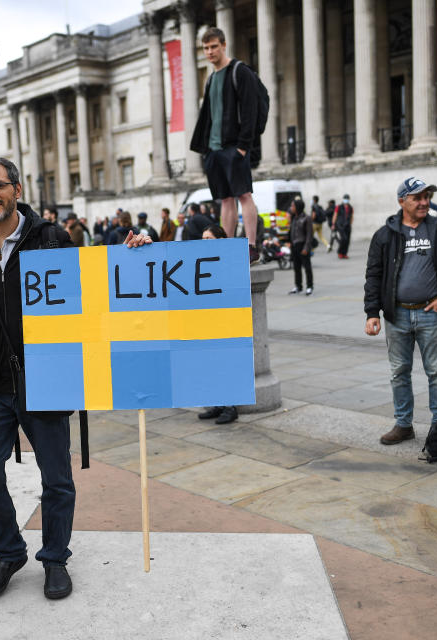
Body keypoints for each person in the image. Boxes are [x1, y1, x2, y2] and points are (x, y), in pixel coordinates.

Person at [0, 156, 151, 602]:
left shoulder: (52, 238)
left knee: (56, 479)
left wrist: (133, 256)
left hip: (46, 378)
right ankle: (8, 551)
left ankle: (55, 557)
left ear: (17, 189)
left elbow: (95, 289)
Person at [364, 178, 437, 445]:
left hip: (431, 313)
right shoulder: (385, 235)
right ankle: (403, 424)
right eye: (417, 198)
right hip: (397, 315)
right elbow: (374, 275)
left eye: (426, 196)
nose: (423, 202)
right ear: (401, 202)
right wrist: (372, 312)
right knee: (399, 371)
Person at [189, 27, 260, 263]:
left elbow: (251, 108)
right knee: (226, 200)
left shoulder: (239, 71)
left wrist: (243, 145)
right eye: (206, 48)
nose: (209, 52)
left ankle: (251, 245)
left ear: (224, 45)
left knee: (244, 195)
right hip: (214, 148)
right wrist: (206, 150)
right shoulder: (211, 78)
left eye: (213, 47)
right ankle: (227, 246)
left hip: (234, 146)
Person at [197, 224, 239, 424]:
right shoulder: (201, 260)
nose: (204, 242)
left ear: (220, 240)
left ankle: (231, 407)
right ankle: (218, 404)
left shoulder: (228, 260)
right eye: (202, 239)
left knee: (225, 364)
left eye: (209, 239)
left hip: (225, 321)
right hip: (208, 319)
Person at [288, 199, 314, 295]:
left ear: (298, 207)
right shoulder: (294, 218)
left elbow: (309, 235)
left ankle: (309, 286)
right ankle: (298, 286)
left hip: (302, 245)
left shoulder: (307, 218)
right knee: (296, 267)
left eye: (293, 206)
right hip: (294, 246)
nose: (291, 208)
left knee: (307, 267)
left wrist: (306, 248)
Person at [332, 194, 354, 258]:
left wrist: (350, 224)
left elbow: (352, 216)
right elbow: (335, 215)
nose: (346, 200)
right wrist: (333, 224)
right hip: (340, 225)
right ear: (343, 199)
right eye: (345, 198)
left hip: (347, 225)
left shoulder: (350, 207)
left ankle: (344, 253)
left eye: (347, 199)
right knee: (343, 239)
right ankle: (340, 252)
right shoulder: (339, 207)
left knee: (347, 240)